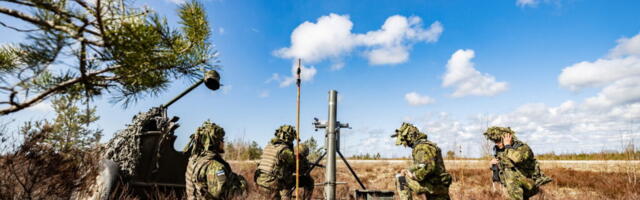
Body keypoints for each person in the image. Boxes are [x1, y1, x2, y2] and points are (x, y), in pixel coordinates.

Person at [184, 120, 247, 200]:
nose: (224, 142)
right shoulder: (216, 167)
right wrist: (243, 183)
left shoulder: (193, 160)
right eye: (222, 140)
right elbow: (226, 195)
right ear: (215, 142)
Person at [484, 126, 552, 200]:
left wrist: (507, 145)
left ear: (508, 137)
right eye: (494, 141)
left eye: (498, 140)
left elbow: (516, 159)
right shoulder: (500, 151)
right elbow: (506, 165)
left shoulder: (523, 148)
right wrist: (493, 164)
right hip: (515, 186)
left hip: (528, 184)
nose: (496, 143)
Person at [391, 122, 452, 200]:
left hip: (435, 186)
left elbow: (429, 167)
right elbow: (422, 165)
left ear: (410, 137)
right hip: (440, 185)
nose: (405, 144)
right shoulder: (427, 145)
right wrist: (409, 170)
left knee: (400, 179)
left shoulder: (421, 147)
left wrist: (414, 176)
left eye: (405, 140)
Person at [254, 125, 297, 200]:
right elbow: (294, 165)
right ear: (289, 137)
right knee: (287, 187)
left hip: (259, 181)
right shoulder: (284, 150)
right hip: (270, 184)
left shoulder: (268, 146)